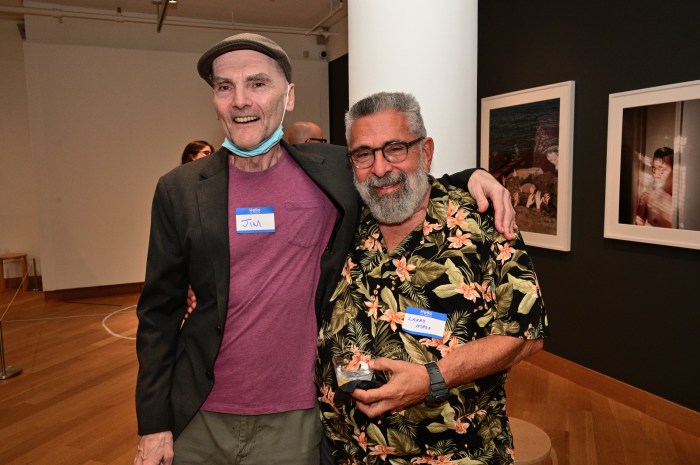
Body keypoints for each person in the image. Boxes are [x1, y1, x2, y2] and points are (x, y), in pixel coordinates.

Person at [134, 33, 516, 465]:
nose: (240, 100)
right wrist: (152, 422)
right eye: (225, 87)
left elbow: (396, 176)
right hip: (198, 411)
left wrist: (472, 176)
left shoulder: (333, 170)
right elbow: (158, 313)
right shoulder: (179, 190)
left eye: (257, 83)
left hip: (296, 414)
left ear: (289, 95)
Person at [316, 92, 548, 464]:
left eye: (395, 148)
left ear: (425, 151)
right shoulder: (344, 220)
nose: (379, 169)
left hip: (454, 455)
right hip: (347, 452)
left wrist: (432, 378)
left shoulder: (481, 222)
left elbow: (525, 334)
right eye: (364, 154)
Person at [634, 147, 673, 228]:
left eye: (661, 168)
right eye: (654, 168)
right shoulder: (647, 196)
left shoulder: (685, 201)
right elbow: (638, 227)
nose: (655, 174)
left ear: (674, 169)